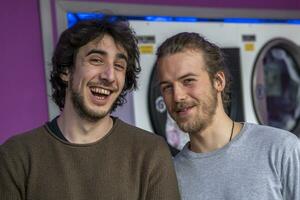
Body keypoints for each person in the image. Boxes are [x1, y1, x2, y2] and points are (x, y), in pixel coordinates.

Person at [0, 18, 180, 200]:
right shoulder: (16, 156)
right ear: (66, 71)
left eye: (119, 66)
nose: (109, 76)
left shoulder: (150, 153)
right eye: (96, 60)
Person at [155, 32, 300, 200]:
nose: (177, 96)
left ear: (218, 81)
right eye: (167, 87)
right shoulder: (170, 178)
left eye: (188, 81)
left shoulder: (281, 149)